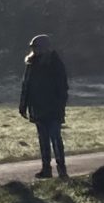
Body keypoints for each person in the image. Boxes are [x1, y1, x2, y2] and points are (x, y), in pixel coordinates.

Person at [19, 32, 70, 178]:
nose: (35, 50)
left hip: (53, 109)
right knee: (43, 141)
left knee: (55, 139)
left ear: (46, 47)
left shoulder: (55, 63)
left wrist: (60, 106)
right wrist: (23, 105)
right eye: (33, 47)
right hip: (37, 108)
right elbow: (26, 85)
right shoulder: (31, 63)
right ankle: (46, 169)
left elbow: (62, 87)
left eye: (37, 47)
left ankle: (61, 169)